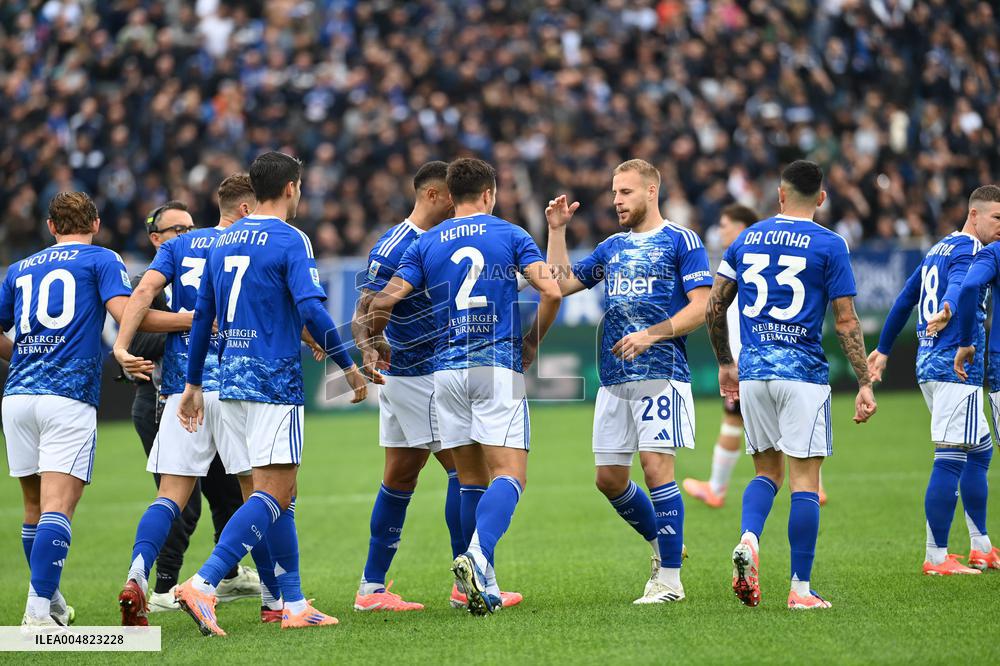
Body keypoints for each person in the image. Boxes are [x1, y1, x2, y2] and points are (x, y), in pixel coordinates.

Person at [170, 151, 367, 635]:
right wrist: (349, 365)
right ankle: (205, 582)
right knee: (275, 494)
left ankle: (292, 602)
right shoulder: (290, 238)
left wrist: (194, 383)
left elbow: (202, 319)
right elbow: (313, 311)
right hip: (274, 381)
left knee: (278, 493)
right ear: (292, 188)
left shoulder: (223, 240)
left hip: (229, 380)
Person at [367, 157, 562, 615]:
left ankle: (478, 585)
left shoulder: (427, 243)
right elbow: (551, 291)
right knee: (510, 474)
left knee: (468, 477)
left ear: (451, 196)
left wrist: (376, 341)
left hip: (445, 371)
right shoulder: (509, 234)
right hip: (495, 364)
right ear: (490, 194)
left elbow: (383, 300)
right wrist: (531, 342)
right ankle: (476, 557)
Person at [0, 192, 192, 629]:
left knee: (33, 507)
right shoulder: (101, 260)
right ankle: (36, 613)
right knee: (58, 506)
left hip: (17, 398)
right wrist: (190, 319)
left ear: (51, 227)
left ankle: (50, 602)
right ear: (97, 224)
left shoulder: (19, 268)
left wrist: (26, 360)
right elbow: (130, 314)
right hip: (67, 399)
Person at [706, 160, 876, 610]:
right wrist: (864, 381)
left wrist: (726, 363)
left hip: (755, 373)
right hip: (803, 376)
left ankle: (748, 537)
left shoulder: (747, 237)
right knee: (805, 482)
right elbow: (845, 321)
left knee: (766, 473)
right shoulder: (830, 244)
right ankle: (800, 589)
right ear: (820, 198)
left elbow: (713, 307)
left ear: (779, 195)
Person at [546, 159, 712, 604]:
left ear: (651, 192)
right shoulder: (612, 247)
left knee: (657, 468)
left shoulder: (681, 240)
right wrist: (558, 230)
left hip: (662, 373)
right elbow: (559, 286)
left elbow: (702, 306)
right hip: (615, 376)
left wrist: (652, 334)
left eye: (626, 192)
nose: (616, 201)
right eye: (614, 193)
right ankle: (663, 545)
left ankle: (670, 582)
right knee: (609, 479)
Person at [112, 178, 276, 627]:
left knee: (169, 497)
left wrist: (122, 347)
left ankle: (137, 577)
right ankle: (273, 600)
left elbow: (142, 294)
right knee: (257, 495)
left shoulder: (180, 245)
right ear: (247, 207)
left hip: (183, 392)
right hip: (237, 387)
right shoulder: (252, 242)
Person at [870, 184, 1000, 575]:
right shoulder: (969, 249)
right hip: (953, 364)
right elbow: (960, 286)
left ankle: (981, 546)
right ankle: (936, 557)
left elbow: (904, 299)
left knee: (979, 451)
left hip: (930, 362)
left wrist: (885, 349)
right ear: (973, 215)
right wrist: (948, 311)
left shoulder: (937, 248)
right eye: (996, 217)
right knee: (950, 458)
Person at [685, 204, 831, 509]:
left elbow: (719, 311)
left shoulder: (742, 264)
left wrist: (729, 361)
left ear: (742, 228)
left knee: (740, 428)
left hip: (750, 364)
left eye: (725, 224)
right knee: (790, 423)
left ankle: (717, 488)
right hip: (785, 363)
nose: (720, 230)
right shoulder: (766, 261)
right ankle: (814, 485)